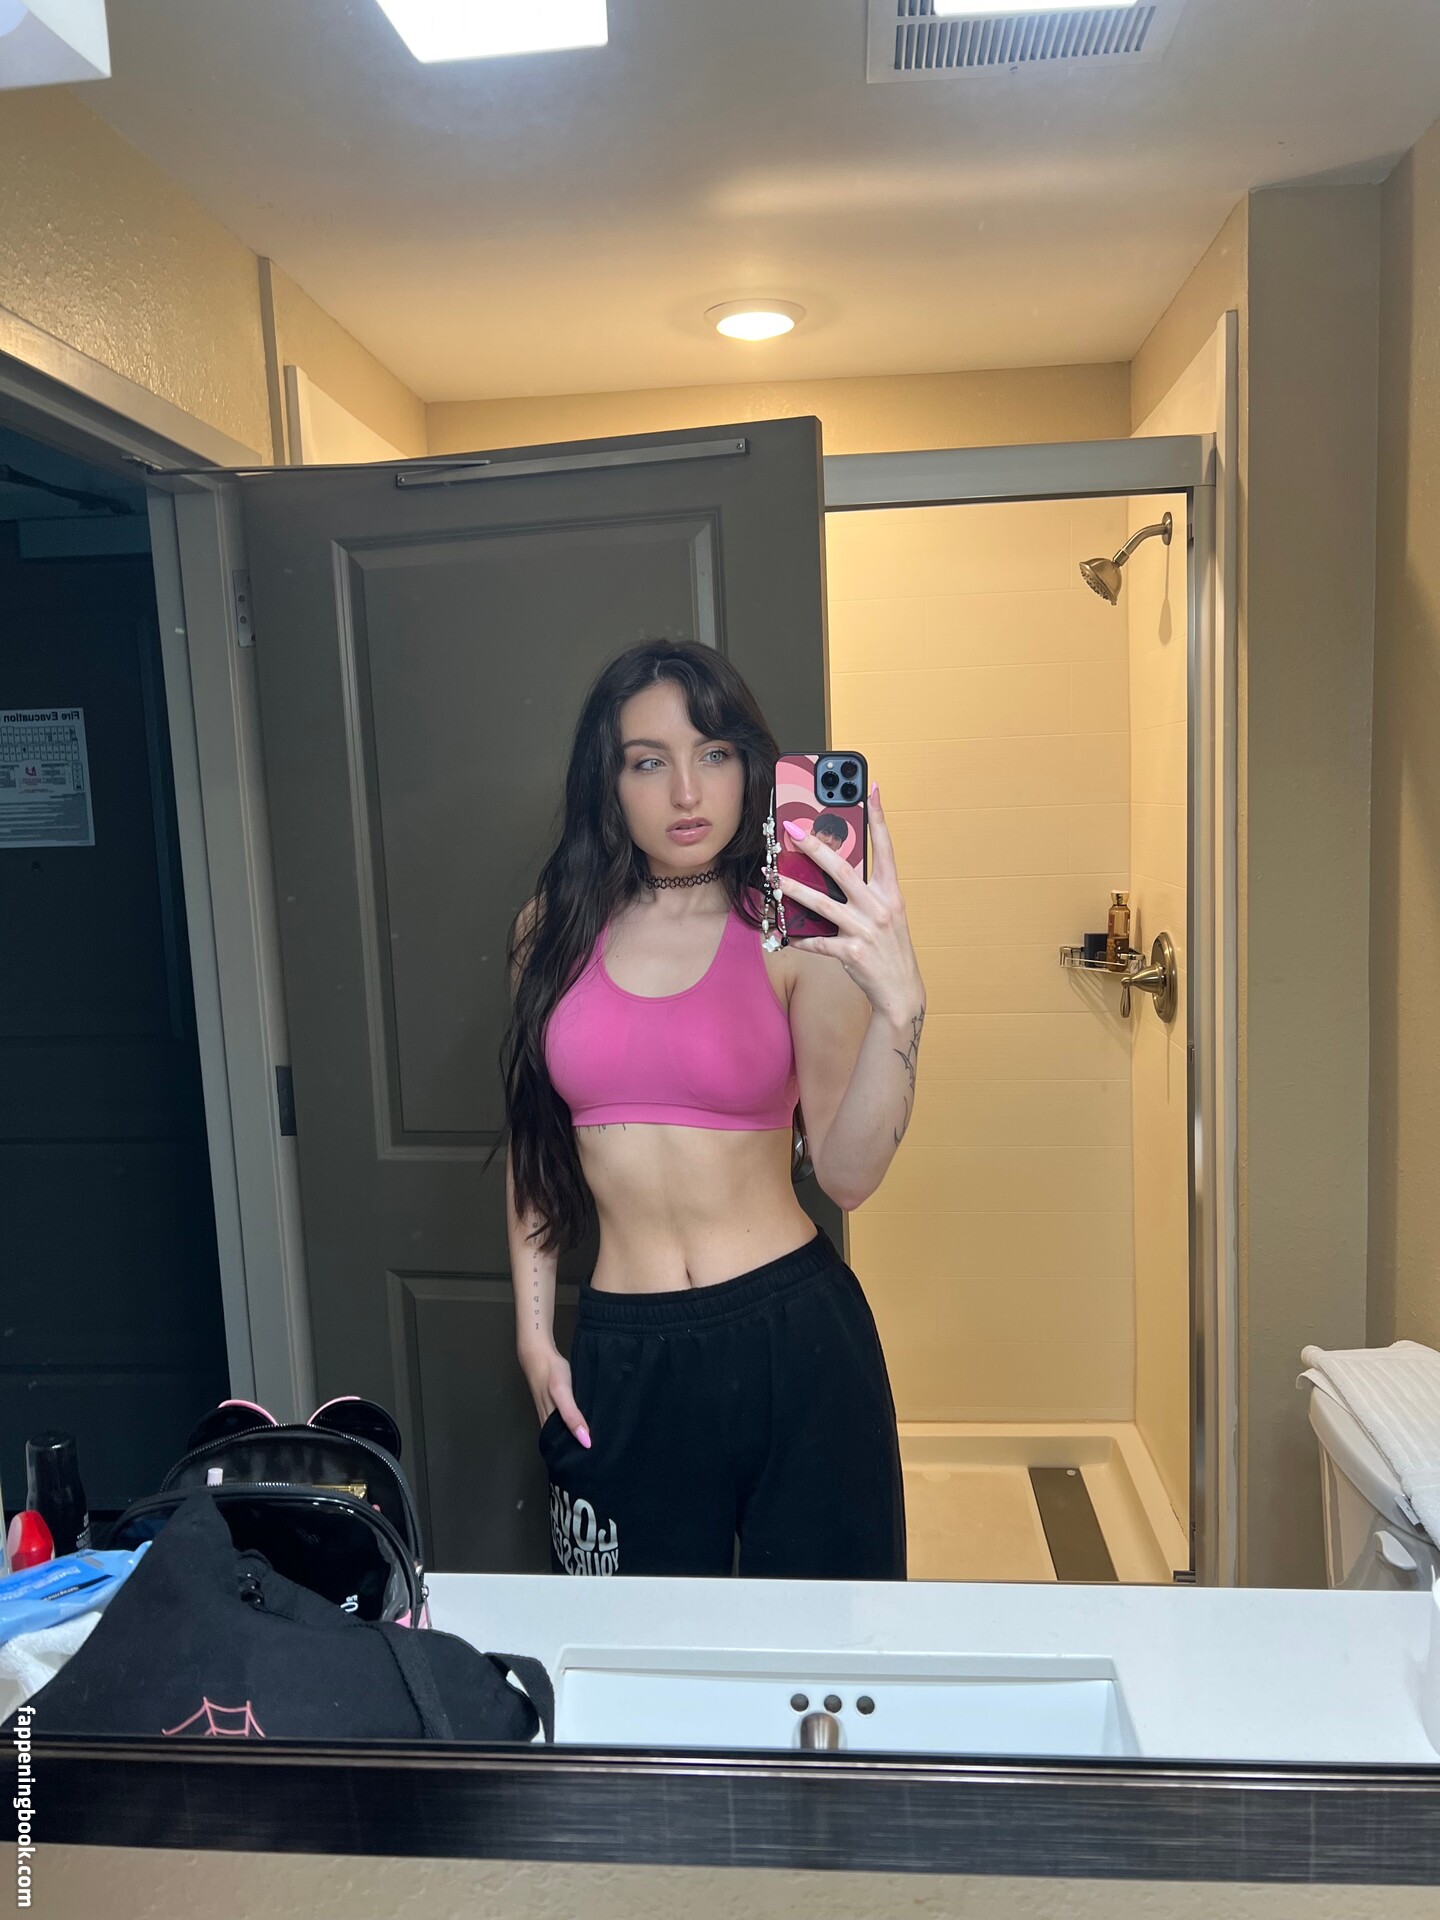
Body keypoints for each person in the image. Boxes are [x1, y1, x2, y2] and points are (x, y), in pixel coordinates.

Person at [494, 640, 925, 1579]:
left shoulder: (794, 933)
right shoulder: (550, 931)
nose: (687, 792)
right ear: (608, 783)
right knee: (630, 1646)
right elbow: (535, 1151)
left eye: (713, 754)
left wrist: (901, 1009)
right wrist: (533, 1337)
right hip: (624, 1350)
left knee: (825, 1643)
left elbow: (847, 1176)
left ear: (749, 768)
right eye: (649, 762)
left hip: (793, 1341)